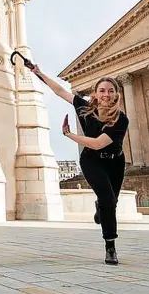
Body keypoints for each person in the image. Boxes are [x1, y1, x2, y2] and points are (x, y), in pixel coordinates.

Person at [32, 65, 129, 265]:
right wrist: (40, 74)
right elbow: (60, 91)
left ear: (116, 95)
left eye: (110, 91)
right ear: (95, 93)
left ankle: (100, 207)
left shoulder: (121, 119)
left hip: (114, 162)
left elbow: (99, 142)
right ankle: (110, 247)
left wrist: (69, 135)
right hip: (91, 160)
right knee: (109, 201)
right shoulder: (84, 108)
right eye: (102, 90)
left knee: (111, 202)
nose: (106, 94)